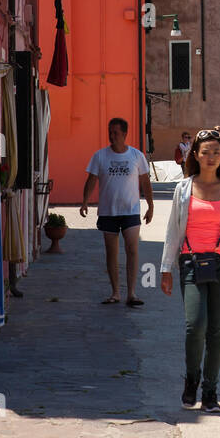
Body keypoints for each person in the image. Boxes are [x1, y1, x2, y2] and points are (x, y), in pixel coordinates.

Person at [160, 129, 220, 413]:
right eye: (206, 152)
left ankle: (210, 391)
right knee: (195, 325)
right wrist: (166, 268)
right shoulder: (184, 189)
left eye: (216, 151)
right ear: (196, 156)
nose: (211, 156)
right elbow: (173, 231)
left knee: (216, 331)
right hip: (191, 263)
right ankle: (191, 380)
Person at [81, 117, 153, 307]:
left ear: (124, 134)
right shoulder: (100, 156)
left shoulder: (136, 156)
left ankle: (131, 293)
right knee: (111, 253)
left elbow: (145, 182)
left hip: (131, 211)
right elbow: (91, 180)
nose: (112, 136)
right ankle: (115, 293)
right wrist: (85, 201)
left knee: (132, 249)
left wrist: (150, 206)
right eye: (110, 132)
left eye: (116, 133)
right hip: (108, 212)